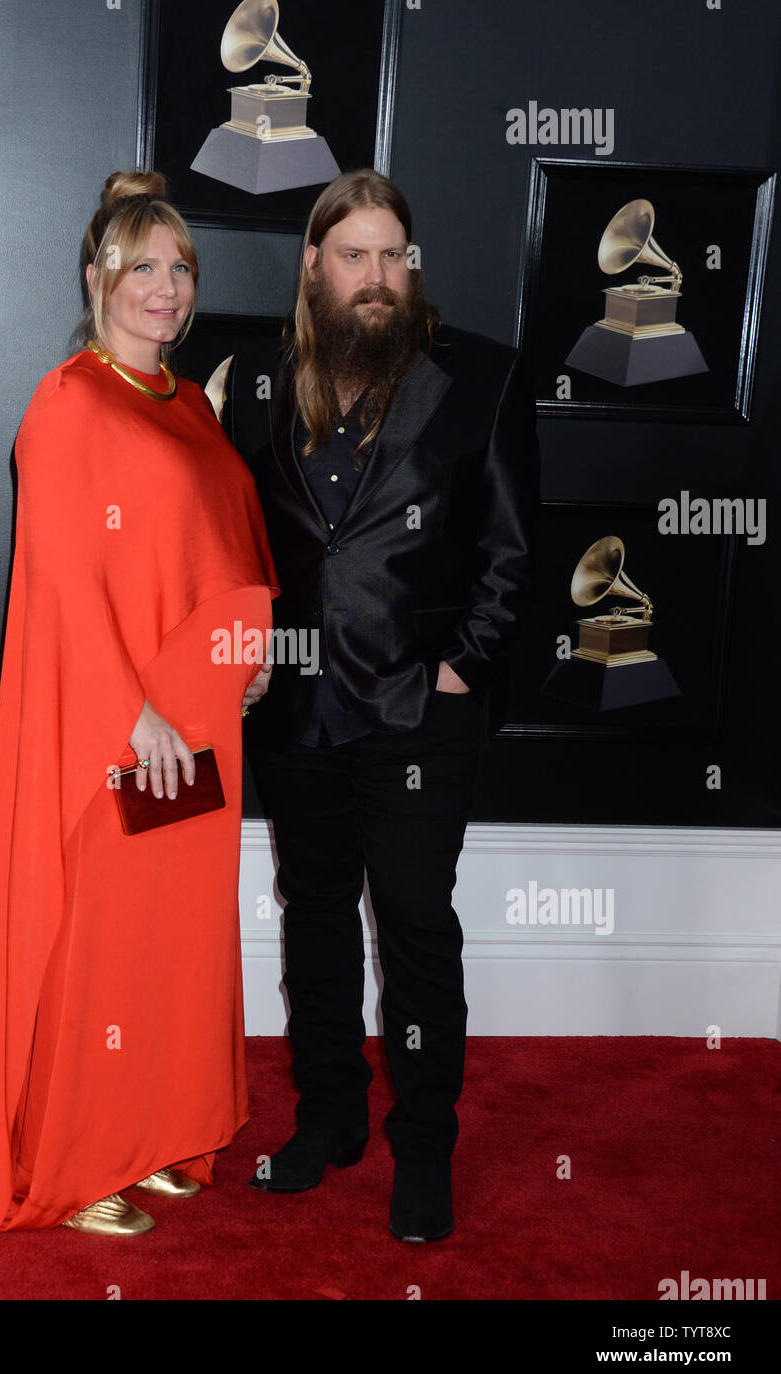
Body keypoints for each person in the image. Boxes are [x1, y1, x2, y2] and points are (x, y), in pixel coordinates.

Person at [0, 171, 278, 1237]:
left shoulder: (187, 407)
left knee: (171, 942)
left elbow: (220, 547)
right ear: (97, 278)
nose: (166, 289)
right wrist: (133, 714)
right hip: (125, 729)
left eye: (181, 268)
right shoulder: (68, 400)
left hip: (203, 718)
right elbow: (60, 578)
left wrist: (246, 653)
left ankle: (158, 1137)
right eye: (143, 268)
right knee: (101, 942)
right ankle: (81, 1163)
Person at [221, 170, 540, 1241]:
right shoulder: (260, 383)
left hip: (418, 711)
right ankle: (329, 1121)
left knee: (412, 929)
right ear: (313, 266)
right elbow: (231, 540)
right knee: (312, 919)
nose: (376, 277)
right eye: (353, 255)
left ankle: (423, 1146)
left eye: (392, 255)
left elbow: (510, 553)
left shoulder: (481, 376)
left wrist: (460, 673)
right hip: (297, 712)